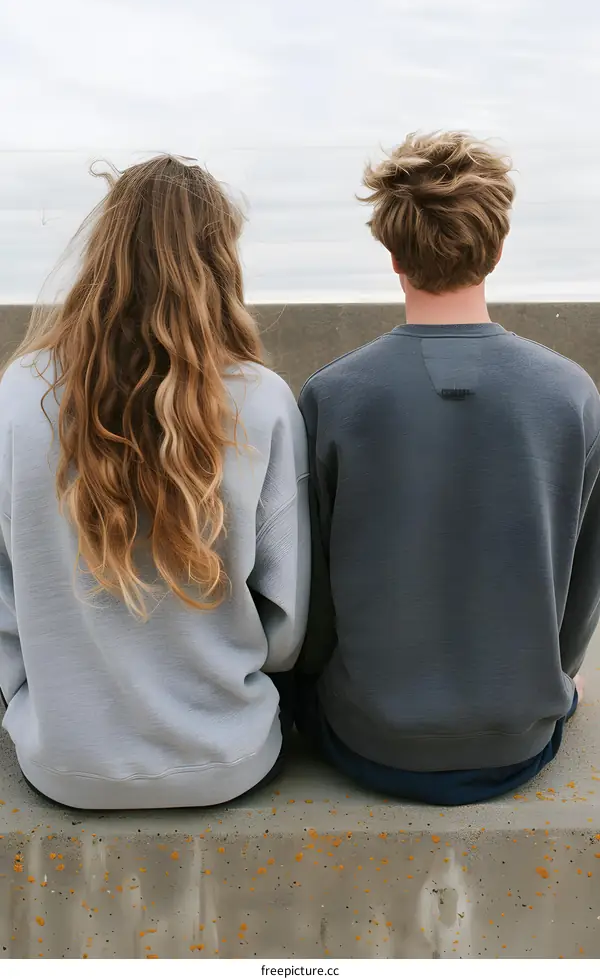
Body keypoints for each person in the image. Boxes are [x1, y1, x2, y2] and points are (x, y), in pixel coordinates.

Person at [295, 131, 599, 805]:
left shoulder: (332, 396)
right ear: (496, 246)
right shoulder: (571, 393)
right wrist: (561, 677)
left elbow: (313, 598)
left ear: (392, 252)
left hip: (368, 738)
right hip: (518, 741)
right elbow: (581, 587)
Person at [0, 155, 309, 810]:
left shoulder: (19, 393)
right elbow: (286, 629)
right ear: (218, 261)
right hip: (228, 755)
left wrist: (35, 692)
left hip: (63, 758)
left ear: (104, 251)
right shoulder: (262, 401)